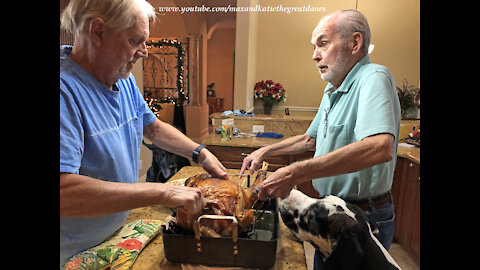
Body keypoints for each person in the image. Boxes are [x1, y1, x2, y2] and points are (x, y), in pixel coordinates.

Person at [60, 0, 227, 267]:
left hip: (113, 235)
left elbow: (152, 127)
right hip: (72, 253)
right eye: (136, 40)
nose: (145, 52)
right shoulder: (64, 90)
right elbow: (63, 192)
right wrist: (163, 193)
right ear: (98, 32)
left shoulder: (123, 78)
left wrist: (199, 152)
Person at [240, 9, 400, 269]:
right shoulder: (332, 89)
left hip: (361, 216)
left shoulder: (374, 78)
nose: (315, 55)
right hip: (330, 212)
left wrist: (295, 172)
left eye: (323, 44)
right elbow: (308, 140)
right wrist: (264, 152)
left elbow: (380, 147)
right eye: (314, 47)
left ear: (355, 43)